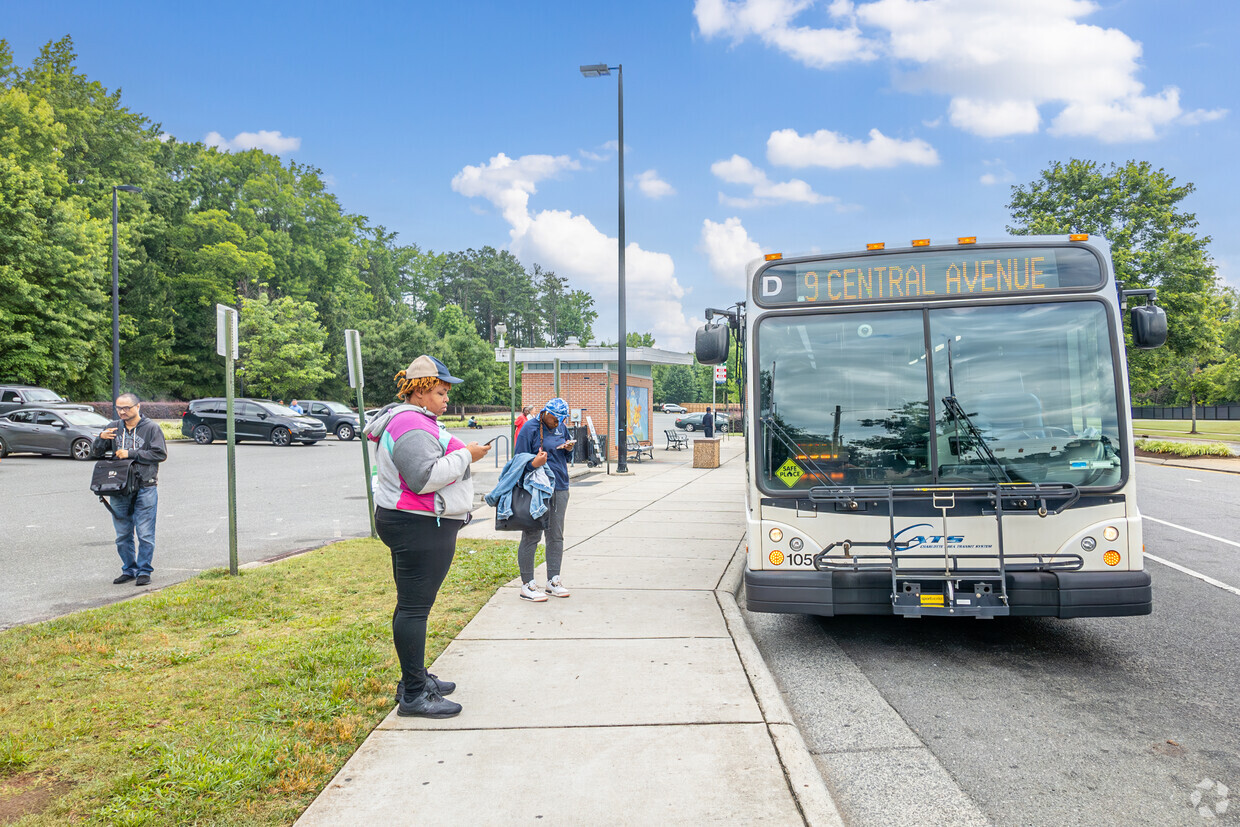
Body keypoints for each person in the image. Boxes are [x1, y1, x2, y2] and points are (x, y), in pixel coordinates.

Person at [365, 355, 491, 718]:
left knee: (411, 606)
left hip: (417, 523)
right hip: (417, 525)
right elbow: (423, 477)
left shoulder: (414, 419)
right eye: (440, 391)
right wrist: (466, 455)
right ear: (420, 392)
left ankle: (414, 678)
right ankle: (415, 694)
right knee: (414, 610)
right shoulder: (410, 424)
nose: (446, 397)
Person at [91, 393, 168, 586]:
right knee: (123, 535)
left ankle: (144, 570)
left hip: (145, 486)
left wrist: (130, 453)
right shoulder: (113, 427)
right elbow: (96, 453)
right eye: (119, 408)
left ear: (138, 407)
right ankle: (129, 569)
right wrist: (101, 439)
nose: (123, 412)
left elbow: (159, 453)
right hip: (119, 487)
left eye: (127, 408)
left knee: (145, 533)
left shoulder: (151, 428)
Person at [513, 398, 575, 601]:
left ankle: (553, 580)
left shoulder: (561, 427)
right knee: (532, 535)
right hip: (537, 490)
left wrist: (568, 449)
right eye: (555, 419)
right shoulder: (529, 429)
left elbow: (566, 459)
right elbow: (517, 462)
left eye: (561, 420)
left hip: (560, 486)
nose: (558, 423)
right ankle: (527, 584)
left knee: (556, 535)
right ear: (546, 413)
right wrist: (533, 463)